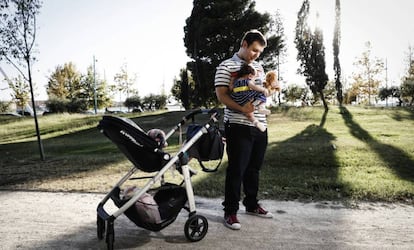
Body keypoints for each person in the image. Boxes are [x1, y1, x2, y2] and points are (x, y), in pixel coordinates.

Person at [215, 29, 278, 230]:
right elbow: (222, 96)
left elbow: (260, 93)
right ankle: (230, 212)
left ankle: (251, 204)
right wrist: (243, 108)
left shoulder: (258, 66)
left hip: (260, 125)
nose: (256, 55)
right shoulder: (226, 66)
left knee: (254, 169)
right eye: (253, 50)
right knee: (236, 169)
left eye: (259, 52)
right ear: (244, 44)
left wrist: (271, 89)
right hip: (237, 125)